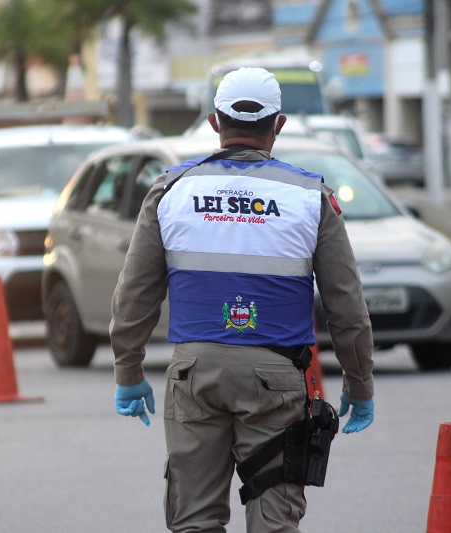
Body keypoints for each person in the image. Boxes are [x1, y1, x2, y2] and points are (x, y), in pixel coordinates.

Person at [109, 67, 375, 532]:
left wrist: (128, 371)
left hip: (195, 375)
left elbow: (134, 294)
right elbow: (346, 306)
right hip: (276, 379)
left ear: (214, 122)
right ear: (279, 124)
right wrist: (359, 382)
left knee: (194, 519)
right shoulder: (311, 197)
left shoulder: (171, 190)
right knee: (274, 521)